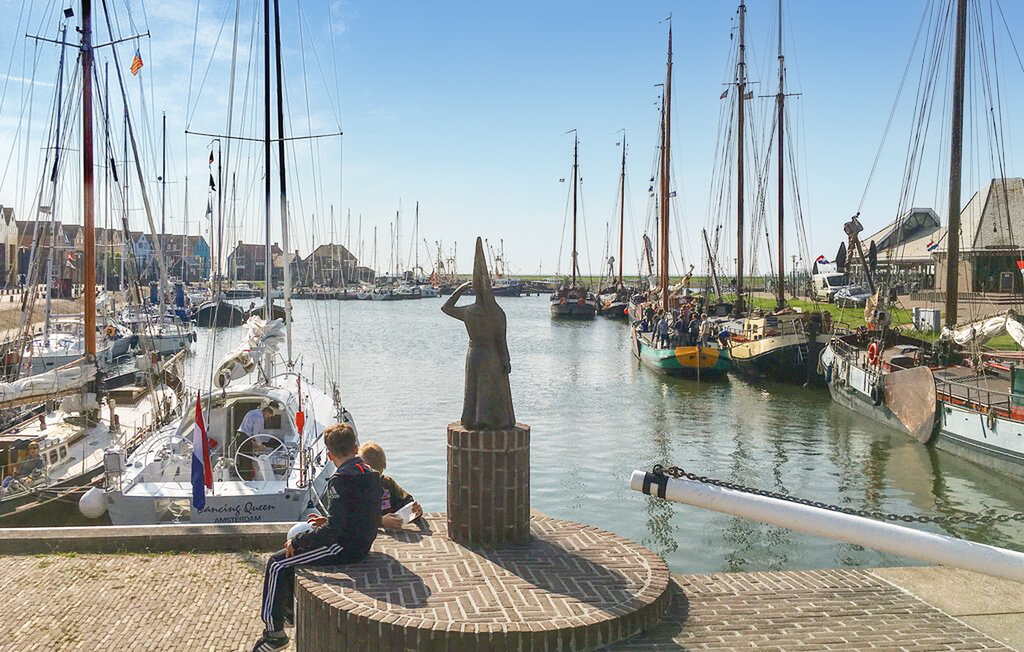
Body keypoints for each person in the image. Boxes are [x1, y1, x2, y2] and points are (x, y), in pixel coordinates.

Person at [251, 423, 381, 652]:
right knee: (287, 562)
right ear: (355, 448)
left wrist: (298, 541)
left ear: (329, 455)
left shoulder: (341, 480)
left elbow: (333, 532)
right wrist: (329, 520)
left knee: (277, 563)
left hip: (344, 547)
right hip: (361, 541)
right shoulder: (370, 473)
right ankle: (287, 614)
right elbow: (361, 511)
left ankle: (274, 634)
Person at [358, 442, 423, 529]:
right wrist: (381, 522)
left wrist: (414, 509)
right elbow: (355, 516)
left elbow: (406, 501)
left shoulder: (388, 483)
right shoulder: (358, 487)